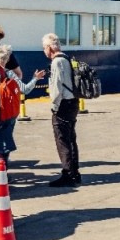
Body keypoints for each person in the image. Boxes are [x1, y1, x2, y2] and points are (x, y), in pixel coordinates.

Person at [0, 43, 44, 165]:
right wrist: (35, 79)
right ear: (8, 58)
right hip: (7, 112)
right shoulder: (9, 73)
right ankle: (2, 171)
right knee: (5, 141)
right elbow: (25, 89)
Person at [43, 32, 81, 187]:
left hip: (63, 105)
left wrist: (54, 107)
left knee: (62, 140)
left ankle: (68, 174)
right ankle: (75, 172)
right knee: (71, 138)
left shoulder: (56, 62)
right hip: (73, 102)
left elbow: (57, 88)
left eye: (44, 47)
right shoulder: (67, 58)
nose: (44, 51)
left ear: (50, 47)